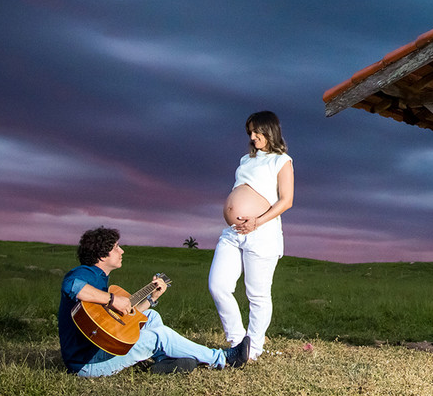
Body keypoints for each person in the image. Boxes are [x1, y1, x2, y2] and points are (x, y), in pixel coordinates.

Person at [58, 226, 245, 376]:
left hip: (100, 348)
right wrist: (113, 299)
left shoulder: (100, 280)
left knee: (151, 317)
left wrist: (152, 297)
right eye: (116, 247)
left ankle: (163, 361)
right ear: (102, 255)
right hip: (87, 364)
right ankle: (223, 358)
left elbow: (126, 319)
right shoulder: (86, 273)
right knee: (160, 335)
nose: (122, 250)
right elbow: (70, 285)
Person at [208, 110, 294, 363]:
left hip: (262, 234)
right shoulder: (246, 160)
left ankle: (253, 348)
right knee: (218, 285)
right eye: (250, 132)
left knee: (257, 294)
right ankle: (237, 341)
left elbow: (286, 201)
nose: (253, 137)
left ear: (270, 131)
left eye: (257, 132)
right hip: (233, 233)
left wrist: (257, 220)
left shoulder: (282, 161)